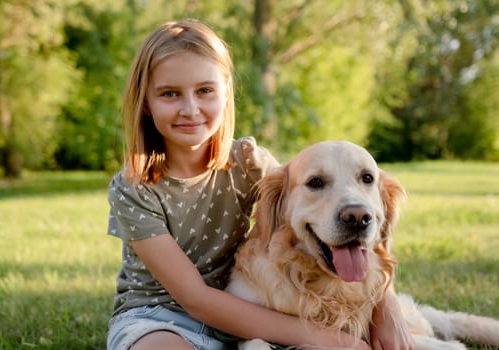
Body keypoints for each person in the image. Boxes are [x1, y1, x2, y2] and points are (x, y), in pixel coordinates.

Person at [106, 19, 414, 350]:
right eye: (170, 93)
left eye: (205, 90)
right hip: (162, 319)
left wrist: (386, 307)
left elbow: (363, 242)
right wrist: (333, 340)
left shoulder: (249, 162)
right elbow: (195, 299)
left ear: (225, 92)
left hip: (252, 313)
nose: (190, 108)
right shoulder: (133, 189)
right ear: (146, 103)